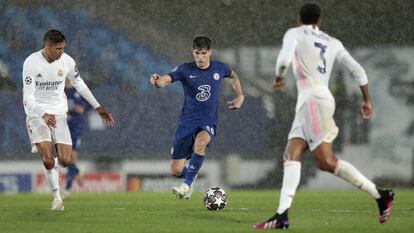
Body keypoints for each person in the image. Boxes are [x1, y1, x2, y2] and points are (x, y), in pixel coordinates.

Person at [254, 3, 394, 229]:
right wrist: (366, 99)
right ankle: (281, 215)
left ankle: (380, 195)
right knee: (291, 155)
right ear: (319, 21)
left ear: (299, 20)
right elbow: (358, 70)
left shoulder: (295, 33)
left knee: (326, 161)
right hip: (314, 102)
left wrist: (279, 78)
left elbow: (283, 60)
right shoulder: (333, 42)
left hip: (313, 102)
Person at [22, 29, 115, 210]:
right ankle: (57, 198)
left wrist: (97, 106)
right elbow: (28, 97)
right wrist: (42, 113)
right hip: (37, 115)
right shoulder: (31, 63)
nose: (61, 52)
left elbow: (79, 83)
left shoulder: (67, 61)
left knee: (65, 160)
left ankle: (49, 160)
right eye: (58, 49)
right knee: (48, 159)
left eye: (63, 48)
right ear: (47, 46)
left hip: (59, 114)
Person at [149, 36, 244, 199]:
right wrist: (157, 81)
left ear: (210, 52)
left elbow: (233, 76)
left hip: (207, 122)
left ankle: (185, 186)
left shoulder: (219, 68)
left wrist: (240, 95)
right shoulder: (185, 69)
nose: (200, 57)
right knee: (176, 170)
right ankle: (189, 180)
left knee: (201, 142)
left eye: (203, 53)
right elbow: (166, 80)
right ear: (193, 52)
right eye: (197, 53)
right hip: (187, 123)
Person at [62, 80, 91, 199]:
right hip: (62, 125)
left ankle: (67, 189)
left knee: (70, 156)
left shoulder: (79, 89)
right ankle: (77, 171)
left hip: (76, 125)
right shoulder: (59, 90)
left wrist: (83, 108)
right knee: (63, 157)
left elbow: (90, 103)